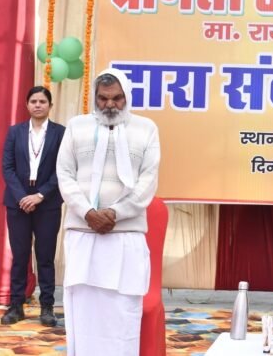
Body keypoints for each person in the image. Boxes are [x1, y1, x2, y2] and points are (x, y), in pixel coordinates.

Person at [56, 68, 160, 355]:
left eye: (116, 98)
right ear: (95, 97)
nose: (110, 105)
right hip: (83, 232)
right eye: (103, 98)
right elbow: (64, 174)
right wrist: (88, 212)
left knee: (122, 311)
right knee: (83, 309)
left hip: (125, 235)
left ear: (127, 96)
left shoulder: (146, 128)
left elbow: (148, 181)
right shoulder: (76, 126)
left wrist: (115, 213)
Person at [0, 86, 66, 326]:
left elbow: (64, 169)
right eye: (33, 101)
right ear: (27, 105)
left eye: (42, 101)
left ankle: (47, 307)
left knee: (45, 257)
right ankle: (16, 305)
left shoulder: (61, 133)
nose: (38, 105)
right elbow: (7, 167)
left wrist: (40, 195)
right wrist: (22, 197)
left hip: (47, 202)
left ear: (50, 105)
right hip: (18, 202)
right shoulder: (15, 132)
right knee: (20, 256)